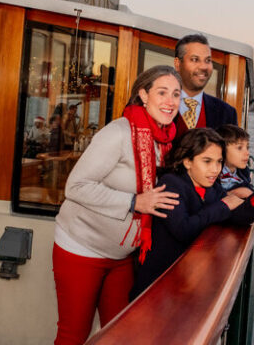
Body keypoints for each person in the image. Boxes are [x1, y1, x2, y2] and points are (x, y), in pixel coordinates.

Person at [52, 65, 182, 345]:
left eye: (175, 94)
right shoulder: (119, 133)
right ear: (143, 95)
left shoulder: (167, 141)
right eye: (162, 92)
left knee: (121, 335)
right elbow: (75, 187)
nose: (170, 102)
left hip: (122, 255)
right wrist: (134, 202)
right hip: (81, 247)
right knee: (73, 335)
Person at [129, 128, 254, 300]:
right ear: (187, 161)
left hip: (186, 282)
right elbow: (183, 229)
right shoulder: (171, 184)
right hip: (156, 286)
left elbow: (236, 215)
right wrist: (223, 205)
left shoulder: (211, 188)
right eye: (207, 161)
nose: (215, 170)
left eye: (219, 162)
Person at [173, 34, 237, 135]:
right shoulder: (158, 106)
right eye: (195, 59)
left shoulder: (227, 113)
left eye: (208, 60)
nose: (203, 67)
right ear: (177, 64)